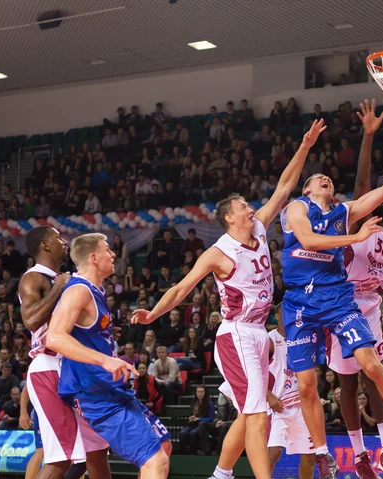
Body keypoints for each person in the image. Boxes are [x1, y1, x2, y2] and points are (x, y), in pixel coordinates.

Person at [131, 119, 328, 479]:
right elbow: (181, 288)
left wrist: (305, 145)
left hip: (259, 332)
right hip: (236, 334)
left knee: (248, 412)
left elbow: (284, 187)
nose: (250, 208)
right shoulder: (219, 252)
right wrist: (154, 314)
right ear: (228, 218)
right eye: (242, 206)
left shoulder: (258, 227)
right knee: (257, 414)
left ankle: (221, 474)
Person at [281, 99, 383, 479]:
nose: (326, 179)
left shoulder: (345, 213)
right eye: (318, 178)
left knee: (370, 364)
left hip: (338, 297)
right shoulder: (297, 209)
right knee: (309, 385)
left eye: (329, 179)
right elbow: (306, 240)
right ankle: (325, 454)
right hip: (299, 302)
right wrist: (353, 236)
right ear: (307, 188)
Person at [46, 233, 171, 478]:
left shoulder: (96, 290)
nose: (113, 254)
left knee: (164, 445)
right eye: (107, 250)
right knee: (156, 462)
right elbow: (55, 338)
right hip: (96, 395)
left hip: (112, 389)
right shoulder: (79, 290)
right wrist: (105, 359)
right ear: (93, 258)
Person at [18, 226, 110, 479]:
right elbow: (30, 319)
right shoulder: (34, 277)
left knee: (97, 449)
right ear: (45, 246)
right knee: (62, 457)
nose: (64, 241)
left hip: (73, 368)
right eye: (58, 238)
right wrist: (59, 287)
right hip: (49, 366)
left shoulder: (65, 278)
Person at [267, 304, 315, 479]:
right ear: (277, 317)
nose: (289, 316)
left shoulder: (302, 337)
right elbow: (255, 370)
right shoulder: (270, 339)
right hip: (278, 404)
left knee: (309, 458)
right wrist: (268, 394)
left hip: (301, 405)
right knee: (273, 453)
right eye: (284, 313)